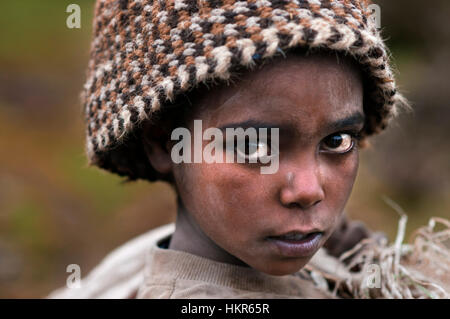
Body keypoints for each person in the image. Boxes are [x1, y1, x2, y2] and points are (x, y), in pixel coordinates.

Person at [49, 0, 408, 298]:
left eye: (337, 141)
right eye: (253, 147)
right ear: (164, 144)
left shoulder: (142, 257)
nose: (309, 190)